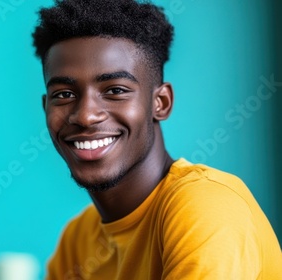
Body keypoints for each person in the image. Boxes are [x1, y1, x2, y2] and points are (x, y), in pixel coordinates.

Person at [31, 0, 282, 279]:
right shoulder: (77, 238)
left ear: (160, 103)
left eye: (115, 90)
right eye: (64, 94)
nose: (86, 116)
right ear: (46, 108)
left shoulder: (206, 206)